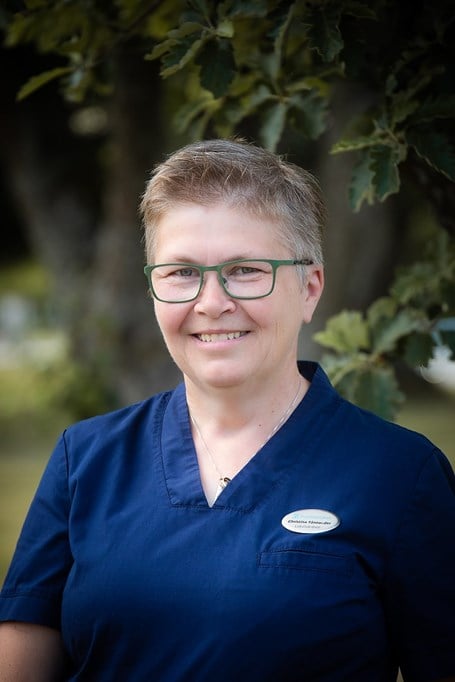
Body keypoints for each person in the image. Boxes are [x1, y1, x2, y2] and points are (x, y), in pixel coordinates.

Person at [0, 138, 454, 682]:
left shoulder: (401, 475)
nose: (212, 303)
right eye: (181, 273)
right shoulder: (86, 459)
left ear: (309, 288)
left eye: (245, 270)